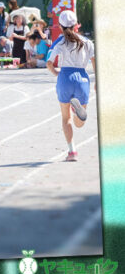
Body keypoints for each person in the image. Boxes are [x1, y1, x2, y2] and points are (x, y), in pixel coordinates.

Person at [46, 10, 95, 162]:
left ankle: (72, 151)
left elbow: (48, 62)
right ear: (76, 25)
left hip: (65, 77)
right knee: (79, 123)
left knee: (65, 118)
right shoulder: (87, 42)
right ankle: (77, 110)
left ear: (60, 27)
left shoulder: (59, 42)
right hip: (82, 79)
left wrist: (55, 72)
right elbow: (95, 64)